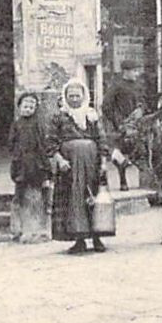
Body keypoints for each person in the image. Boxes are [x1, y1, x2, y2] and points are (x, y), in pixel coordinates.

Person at [48, 77, 112, 255]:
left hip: (91, 164)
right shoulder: (59, 117)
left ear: (84, 96)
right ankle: (79, 239)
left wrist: (104, 163)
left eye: (77, 95)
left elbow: (102, 140)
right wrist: (60, 160)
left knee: (93, 199)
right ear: (65, 96)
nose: (74, 99)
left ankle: (97, 237)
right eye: (71, 95)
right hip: (69, 166)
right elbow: (51, 142)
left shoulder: (92, 116)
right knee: (73, 200)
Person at [8, 92, 51, 243]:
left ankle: (37, 229)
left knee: (36, 197)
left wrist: (45, 168)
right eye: (25, 106)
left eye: (31, 107)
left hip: (36, 165)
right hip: (21, 165)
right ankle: (17, 229)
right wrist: (16, 158)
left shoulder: (38, 124)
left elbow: (42, 146)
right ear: (19, 107)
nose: (28, 109)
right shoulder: (16, 124)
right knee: (19, 196)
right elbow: (11, 144)